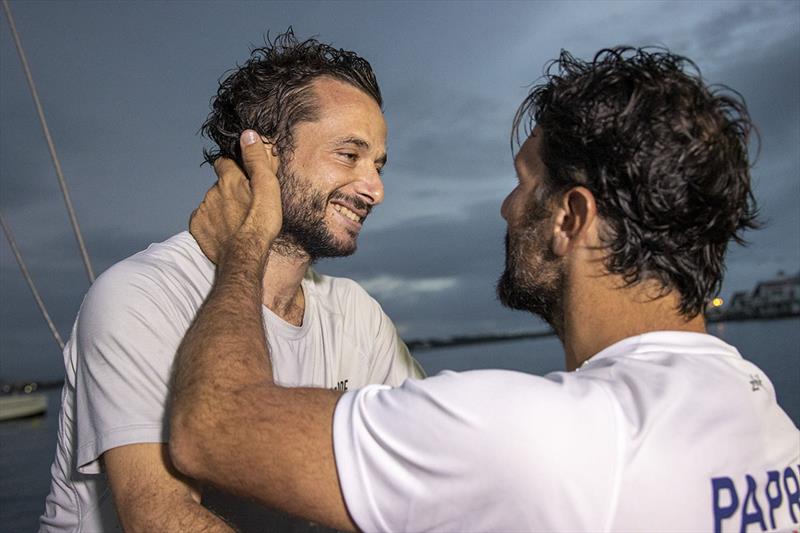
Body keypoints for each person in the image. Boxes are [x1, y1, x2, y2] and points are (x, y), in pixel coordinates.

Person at [169, 47, 800, 532]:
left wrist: (244, 244)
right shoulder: (771, 430)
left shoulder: (532, 435)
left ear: (569, 218)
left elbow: (210, 427)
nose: (506, 207)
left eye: (524, 182)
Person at [39, 30, 423, 533]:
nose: (375, 188)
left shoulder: (357, 315)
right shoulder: (139, 296)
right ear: (261, 157)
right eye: (349, 156)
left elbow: (418, 473)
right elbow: (160, 519)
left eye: (377, 165)